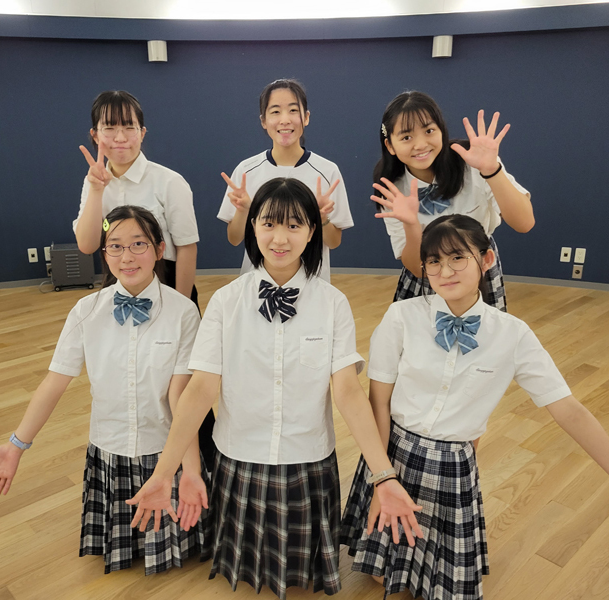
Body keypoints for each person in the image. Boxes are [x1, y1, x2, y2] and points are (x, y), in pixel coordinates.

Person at [127, 178, 423, 599]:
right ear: (253, 227)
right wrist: (164, 472)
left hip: (308, 462)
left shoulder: (332, 303)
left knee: (301, 579)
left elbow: (347, 392)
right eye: (268, 224)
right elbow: (200, 389)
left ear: (312, 231)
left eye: (294, 225)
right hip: (240, 457)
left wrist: (384, 476)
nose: (280, 238)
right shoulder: (226, 302)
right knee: (249, 575)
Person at [340, 214, 609, 600]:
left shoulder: (513, 334)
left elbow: (569, 410)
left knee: (438, 587)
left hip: (452, 466)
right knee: (382, 578)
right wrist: (382, 478)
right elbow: (378, 403)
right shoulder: (402, 316)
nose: (445, 271)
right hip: (394, 453)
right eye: (434, 261)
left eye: (458, 257)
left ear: (487, 259)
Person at [0, 206, 210, 575]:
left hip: (165, 449)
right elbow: (55, 381)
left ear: (159, 249)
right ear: (104, 253)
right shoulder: (86, 311)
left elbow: (180, 396)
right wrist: (16, 444)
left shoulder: (183, 312)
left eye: (138, 244)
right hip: (110, 448)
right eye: (115, 246)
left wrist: (191, 470)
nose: (127, 256)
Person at [74, 91, 217, 467]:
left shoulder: (169, 182)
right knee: (134, 377)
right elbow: (88, 244)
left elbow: (186, 248)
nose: (120, 137)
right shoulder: (94, 182)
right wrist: (97, 190)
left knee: (181, 385)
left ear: (143, 132)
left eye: (129, 127)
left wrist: (179, 308)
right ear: (95, 135)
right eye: (110, 127)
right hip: (119, 289)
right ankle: (138, 460)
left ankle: (198, 470)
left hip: (169, 287)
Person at [374, 90, 534, 311]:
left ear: (442, 131)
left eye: (429, 131)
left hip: (476, 267)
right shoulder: (391, 187)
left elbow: (524, 223)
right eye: (406, 137)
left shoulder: (474, 161)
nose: (420, 144)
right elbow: (417, 268)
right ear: (390, 145)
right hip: (427, 276)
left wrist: (491, 170)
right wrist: (411, 224)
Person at [218, 78, 353, 282]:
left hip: (312, 285)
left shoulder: (328, 171)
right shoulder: (246, 171)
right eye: (275, 111)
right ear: (263, 121)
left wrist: (322, 218)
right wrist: (244, 210)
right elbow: (234, 239)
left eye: (293, 110)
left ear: (306, 117)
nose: (285, 120)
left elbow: (334, 242)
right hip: (256, 285)